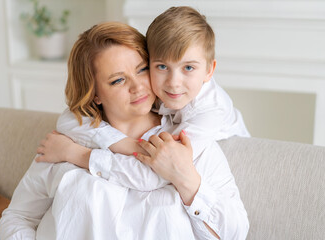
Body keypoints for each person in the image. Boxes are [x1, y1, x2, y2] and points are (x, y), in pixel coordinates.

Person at [33, 7, 249, 239]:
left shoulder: (202, 119)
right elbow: (68, 119)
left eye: (188, 67)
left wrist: (78, 155)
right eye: (160, 67)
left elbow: (153, 174)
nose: (174, 83)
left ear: (209, 71)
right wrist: (125, 143)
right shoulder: (158, 97)